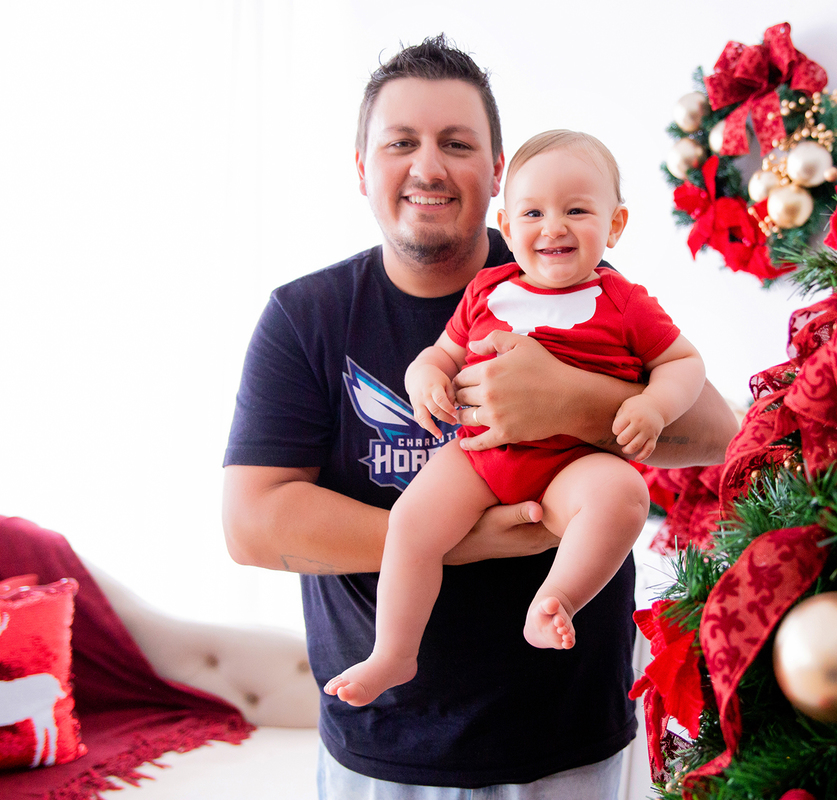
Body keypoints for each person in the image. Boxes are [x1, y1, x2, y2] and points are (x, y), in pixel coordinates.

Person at [222, 35, 738, 799]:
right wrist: (462, 545)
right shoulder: (308, 317)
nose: (428, 166)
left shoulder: (574, 275)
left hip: (566, 734)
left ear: (494, 170)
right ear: (361, 167)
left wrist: (571, 399)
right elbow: (252, 524)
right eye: (402, 142)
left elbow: (716, 433)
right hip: (382, 743)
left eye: (456, 143)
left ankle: (549, 603)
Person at [323, 130, 707, 708]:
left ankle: (555, 600)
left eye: (576, 210)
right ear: (505, 223)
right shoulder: (488, 290)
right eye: (533, 212)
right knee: (410, 523)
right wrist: (421, 375)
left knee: (623, 493)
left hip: (570, 467)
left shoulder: (623, 301)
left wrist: (652, 404)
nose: (553, 226)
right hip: (479, 458)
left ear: (616, 225)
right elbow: (443, 353)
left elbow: (683, 362)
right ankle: (394, 652)